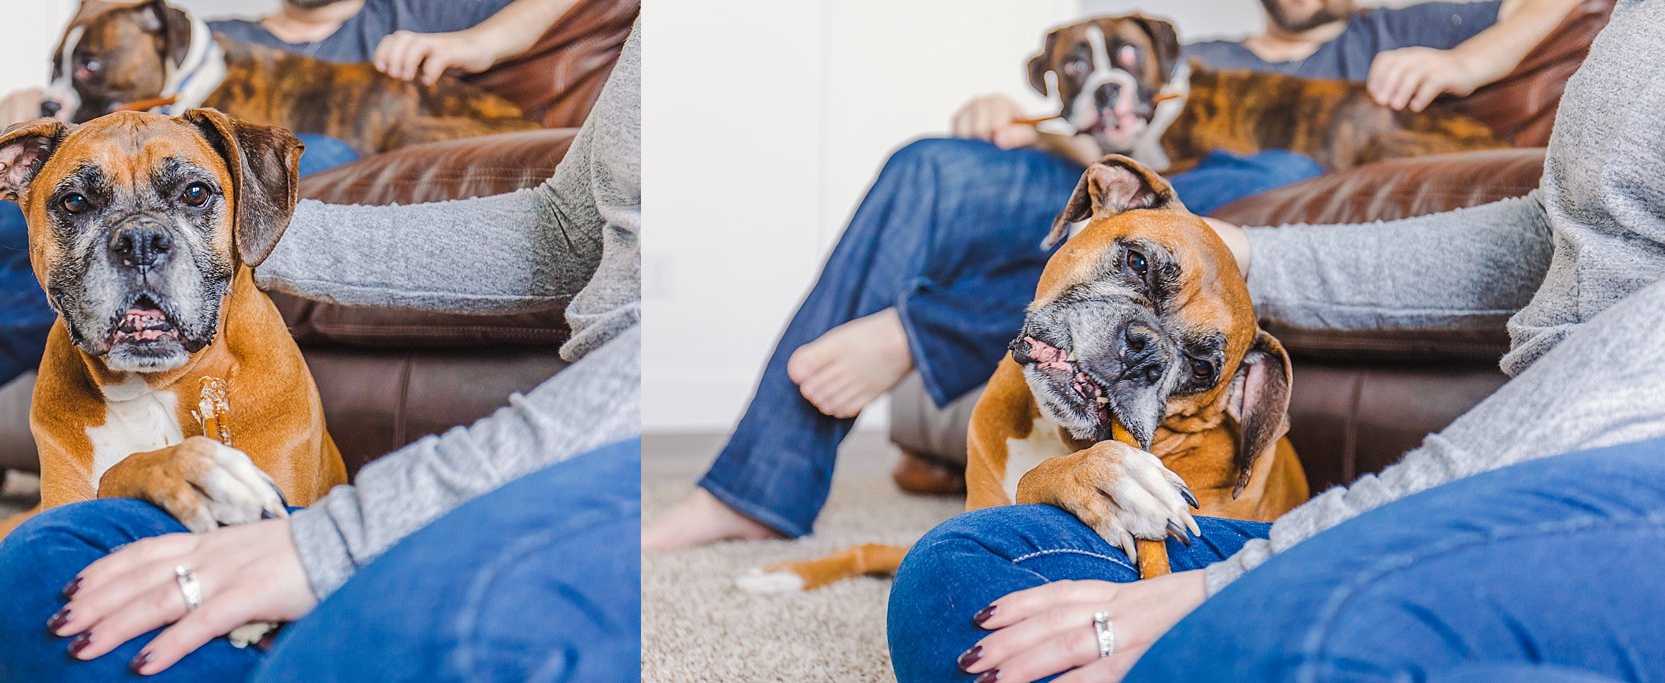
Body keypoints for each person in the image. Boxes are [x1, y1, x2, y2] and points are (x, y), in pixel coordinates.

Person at [0, 0, 580, 566]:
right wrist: (31, 111)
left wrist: (488, 42)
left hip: (292, 174)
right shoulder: (208, 31)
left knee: (256, 172)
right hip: (142, 171)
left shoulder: (414, 19)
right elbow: (103, 162)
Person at [887, 2, 1665, 681]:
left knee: (1297, 644)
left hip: (1611, 484)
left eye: (1191, 361)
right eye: (1134, 262)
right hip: (1521, 496)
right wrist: (1252, 252)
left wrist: (1234, 583)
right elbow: (1550, 233)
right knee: (954, 579)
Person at [641, 0, 1585, 552]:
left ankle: (921, 330)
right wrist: (1010, 119)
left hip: (1232, 221)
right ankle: (754, 487)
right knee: (930, 161)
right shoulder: (1196, 55)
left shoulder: (1397, 29)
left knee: (1261, 177)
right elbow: (1114, 174)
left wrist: (1475, 54)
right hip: (1125, 196)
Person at [0, 24, 639, 681]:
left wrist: (324, 546)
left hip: (607, 459)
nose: (142, 245)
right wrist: (242, 233)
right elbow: (563, 232)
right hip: (600, 434)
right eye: (79, 203)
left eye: (195, 196)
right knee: (25, 577)